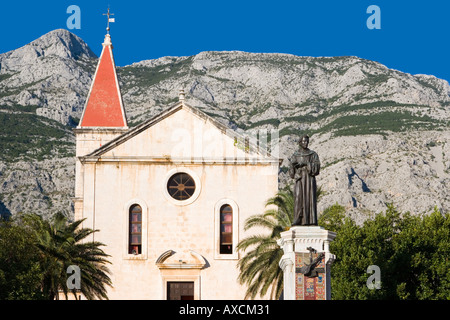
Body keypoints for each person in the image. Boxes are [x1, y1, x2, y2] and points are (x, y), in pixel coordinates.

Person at [288, 135, 320, 226]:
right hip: (300, 179)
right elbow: (291, 170)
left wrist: (307, 163)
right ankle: (298, 219)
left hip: (309, 179)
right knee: (298, 198)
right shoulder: (295, 155)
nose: (305, 143)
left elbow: (317, 169)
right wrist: (294, 169)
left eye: (307, 141)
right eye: (303, 141)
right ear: (299, 143)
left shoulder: (313, 154)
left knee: (309, 198)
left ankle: (310, 221)